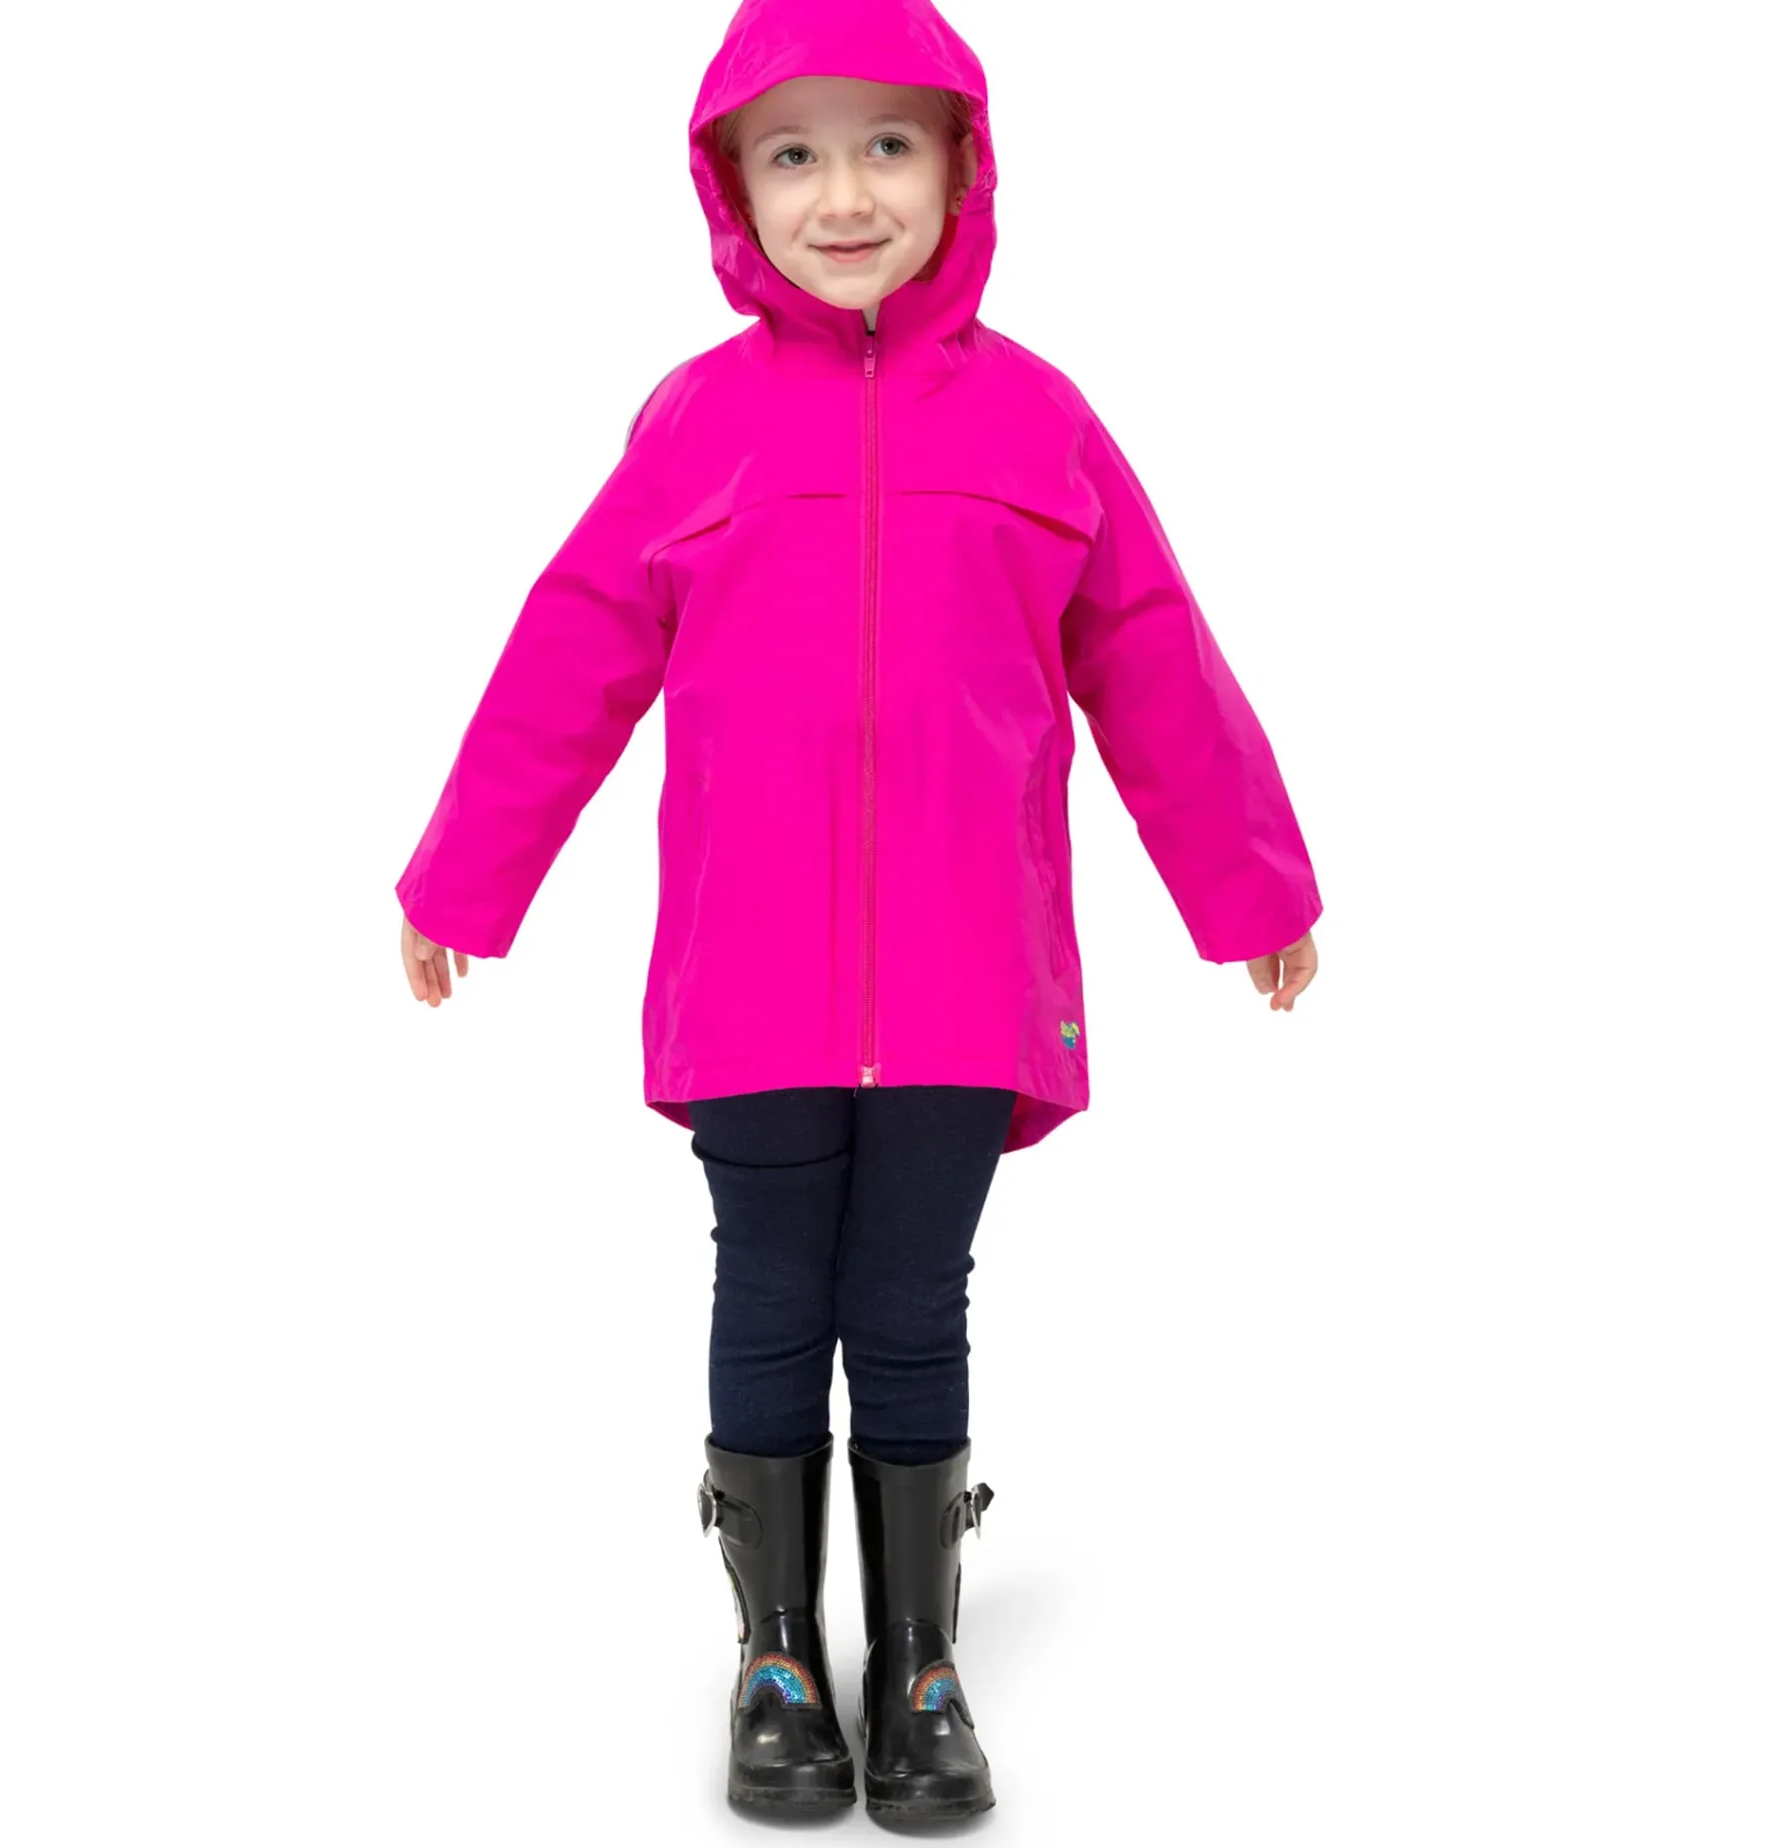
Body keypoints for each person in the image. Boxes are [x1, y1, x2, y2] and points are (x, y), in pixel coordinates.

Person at [393, 0, 1322, 1820]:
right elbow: (570, 656)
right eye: (795, 154)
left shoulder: (1041, 418)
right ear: (732, 187)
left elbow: (1151, 657)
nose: (843, 195)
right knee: (768, 1290)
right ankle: (772, 1656)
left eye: (888, 145)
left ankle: (914, 1663)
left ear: (964, 166)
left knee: (908, 1301)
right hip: (750, 969)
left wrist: (1251, 885)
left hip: (971, 970)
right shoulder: (698, 422)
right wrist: (462, 878)